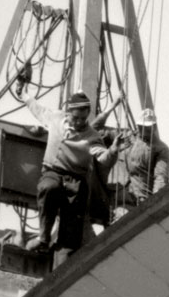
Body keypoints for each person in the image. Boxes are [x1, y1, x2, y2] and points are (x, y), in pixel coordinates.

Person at [22, 91, 117, 254]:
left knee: (70, 237)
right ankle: (43, 238)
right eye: (76, 118)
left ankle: (62, 254)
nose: (80, 122)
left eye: (83, 118)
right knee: (48, 188)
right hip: (53, 171)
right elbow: (37, 108)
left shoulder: (92, 136)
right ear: (68, 113)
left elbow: (103, 157)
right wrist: (24, 94)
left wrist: (113, 150)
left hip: (76, 181)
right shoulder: (56, 118)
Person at [112, 107, 169, 220]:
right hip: (125, 195)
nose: (144, 130)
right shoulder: (130, 137)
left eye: (148, 127)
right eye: (141, 127)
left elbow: (161, 177)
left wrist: (155, 202)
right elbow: (98, 129)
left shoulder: (160, 149)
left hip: (143, 199)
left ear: (154, 127)